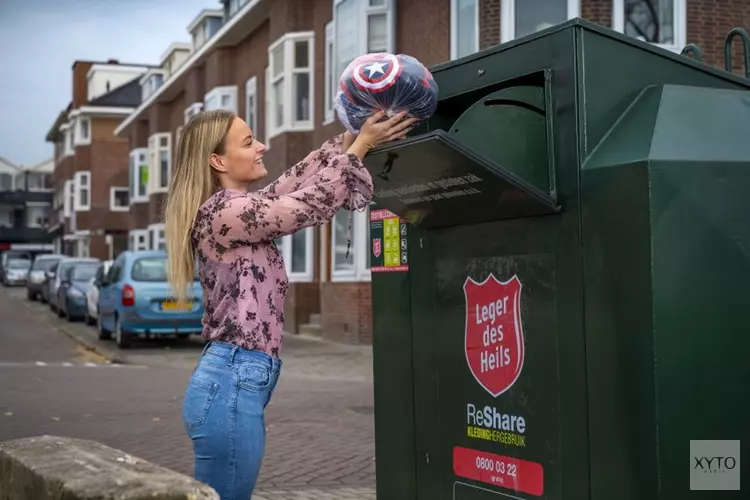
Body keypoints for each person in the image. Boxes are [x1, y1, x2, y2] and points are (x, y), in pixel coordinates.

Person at [163, 108, 416, 499]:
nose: (262, 146)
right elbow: (305, 206)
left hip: (234, 381)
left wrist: (347, 140)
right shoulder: (223, 212)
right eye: (248, 143)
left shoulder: (239, 208)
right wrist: (361, 147)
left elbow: (291, 185)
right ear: (217, 160)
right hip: (230, 381)